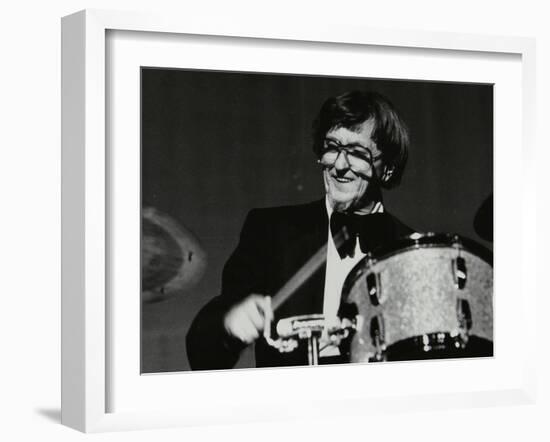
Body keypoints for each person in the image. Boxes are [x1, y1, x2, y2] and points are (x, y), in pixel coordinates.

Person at [186, 90, 412, 370]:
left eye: (356, 153)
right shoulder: (271, 231)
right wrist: (230, 325)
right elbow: (205, 347)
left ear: (387, 168)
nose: (340, 165)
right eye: (332, 147)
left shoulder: (411, 251)